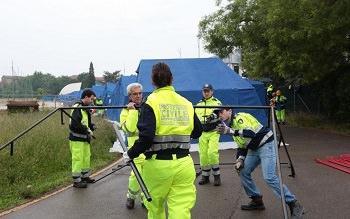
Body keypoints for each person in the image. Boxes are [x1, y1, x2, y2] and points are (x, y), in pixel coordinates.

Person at [123, 62, 203, 219]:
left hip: (158, 166)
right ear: (171, 79)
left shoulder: (151, 103)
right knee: (180, 209)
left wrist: (130, 153)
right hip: (184, 164)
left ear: (153, 81)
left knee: (155, 207)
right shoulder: (186, 103)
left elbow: (146, 138)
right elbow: (198, 131)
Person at [215, 108, 304, 219]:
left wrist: (230, 131)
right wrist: (240, 160)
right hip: (254, 148)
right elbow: (242, 145)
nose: (220, 115)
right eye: (218, 113)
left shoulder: (239, 118)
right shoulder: (231, 126)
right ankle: (257, 200)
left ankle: (294, 204)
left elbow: (251, 133)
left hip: (266, 144)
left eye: (221, 111)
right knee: (242, 170)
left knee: (269, 177)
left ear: (229, 111)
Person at [119, 82, 146, 209]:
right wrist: (133, 112)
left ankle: (145, 198)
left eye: (140, 93)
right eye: (135, 94)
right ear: (130, 96)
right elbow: (129, 129)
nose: (138, 96)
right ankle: (131, 196)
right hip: (135, 149)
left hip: (149, 149)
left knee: (149, 175)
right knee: (136, 175)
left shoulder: (148, 108)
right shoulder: (125, 111)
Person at [68, 89, 97, 188]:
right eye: (91, 99)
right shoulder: (78, 107)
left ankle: (85, 177)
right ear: (86, 97)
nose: (92, 102)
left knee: (86, 157)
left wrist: (91, 126)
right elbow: (75, 124)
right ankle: (76, 181)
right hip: (77, 139)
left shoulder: (85, 108)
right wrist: (86, 129)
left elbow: (84, 122)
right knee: (78, 159)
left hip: (85, 138)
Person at [195, 84, 222, 186]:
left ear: (212, 91)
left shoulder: (217, 102)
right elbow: (195, 119)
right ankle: (205, 176)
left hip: (214, 131)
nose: (206, 93)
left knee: (212, 153)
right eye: (204, 91)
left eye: (208, 91)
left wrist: (212, 116)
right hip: (202, 133)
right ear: (202, 92)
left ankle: (216, 176)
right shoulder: (198, 104)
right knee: (203, 155)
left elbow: (219, 112)